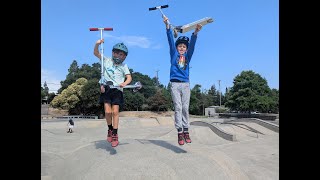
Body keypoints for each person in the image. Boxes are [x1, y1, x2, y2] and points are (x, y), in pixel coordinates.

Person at [163, 16, 202, 145]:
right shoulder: (173, 54)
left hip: (185, 84)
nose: (181, 48)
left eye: (184, 47)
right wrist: (168, 26)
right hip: (174, 84)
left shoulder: (187, 56)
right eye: (179, 46)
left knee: (185, 107)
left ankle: (186, 130)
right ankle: (179, 132)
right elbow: (170, 40)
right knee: (178, 107)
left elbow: (193, 47)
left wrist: (195, 33)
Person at [94, 39, 132, 147]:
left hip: (117, 90)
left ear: (124, 57)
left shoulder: (124, 66)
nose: (118, 56)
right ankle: (110, 129)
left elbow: (129, 77)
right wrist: (97, 44)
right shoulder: (106, 60)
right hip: (107, 88)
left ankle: (115, 133)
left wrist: (124, 83)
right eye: (116, 53)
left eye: (121, 54)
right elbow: (96, 53)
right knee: (107, 112)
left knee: (115, 112)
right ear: (112, 52)